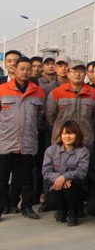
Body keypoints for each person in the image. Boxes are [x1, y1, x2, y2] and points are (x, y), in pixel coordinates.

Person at [0, 57, 45, 220]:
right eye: (22, 69)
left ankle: (26, 206)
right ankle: (2, 206)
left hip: (27, 142)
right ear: (15, 69)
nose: (25, 72)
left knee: (26, 177)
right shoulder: (2, 89)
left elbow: (40, 116)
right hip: (5, 141)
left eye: (28, 69)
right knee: (2, 178)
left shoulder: (38, 92)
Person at [46, 59, 95, 150]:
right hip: (61, 141)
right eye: (74, 71)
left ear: (85, 73)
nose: (77, 74)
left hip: (85, 141)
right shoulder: (56, 93)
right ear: (68, 73)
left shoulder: (94, 94)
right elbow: (50, 117)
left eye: (81, 71)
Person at [41, 121, 90, 226]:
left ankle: (73, 212)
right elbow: (46, 171)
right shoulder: (51, 150)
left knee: (70, 187)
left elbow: (82, 172)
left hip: (75, 186)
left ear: (77, 135)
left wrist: (65, 177)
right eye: (64, 133)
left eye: (71, 133)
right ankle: (62, 209)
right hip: (56, 186)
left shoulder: (83, 151)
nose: (67, 136)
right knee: (52, 202)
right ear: (60, 135)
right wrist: (60, 178)